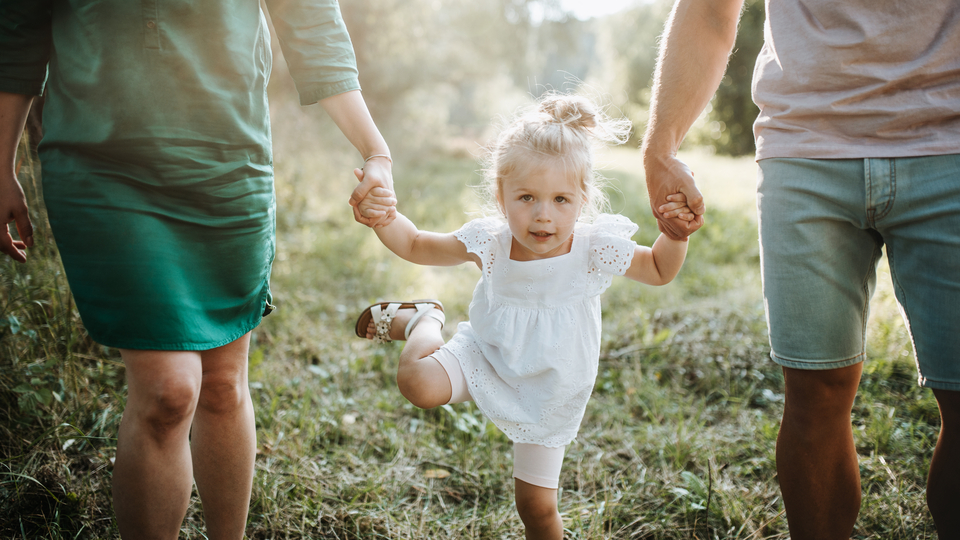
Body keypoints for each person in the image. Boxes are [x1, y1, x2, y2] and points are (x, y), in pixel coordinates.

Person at [0, 1, 395, 538]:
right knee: (168, 390)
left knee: (224, 383)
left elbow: (310, 20)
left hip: (228, 163)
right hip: (101, 163)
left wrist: (375, 150)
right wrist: (1, 162)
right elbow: (18, 26)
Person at [641, 0, 960, 538]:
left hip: (950, 149)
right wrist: (660, 145)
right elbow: (710, 9)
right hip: (803, 150)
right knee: (815, 391)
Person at [353, 94, 690, 539]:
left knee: (537, 508)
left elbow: (660, 269)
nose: (543, 215)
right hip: (487, 354)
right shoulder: (490, 241)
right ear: (502, 196)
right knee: (418, 383)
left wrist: (675, 233)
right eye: (527, 197)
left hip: (552, 389)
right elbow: (415, 244)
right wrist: (383, 217)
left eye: (561, 199)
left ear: (583, 199)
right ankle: (425, 319)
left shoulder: (593, 248)